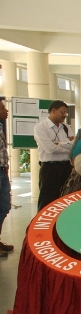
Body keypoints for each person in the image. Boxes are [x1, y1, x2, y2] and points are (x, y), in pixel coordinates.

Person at [34, 100, 74, 211]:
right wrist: (67, 144)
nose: (65, 115)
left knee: (65, 200)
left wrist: (58, 144)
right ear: (53, 111)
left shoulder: (66, 127)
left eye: (66, 112)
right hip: (49, 168)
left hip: (66, 167)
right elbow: (50, 149)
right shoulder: (40, 128)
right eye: (62, 112)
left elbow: (74, 145)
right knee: (47, 201)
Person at [0, 98, 12, 256]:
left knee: (4, 206)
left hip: (2, 172)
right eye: (3, 108)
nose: (6, 110)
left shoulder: (1, 128)